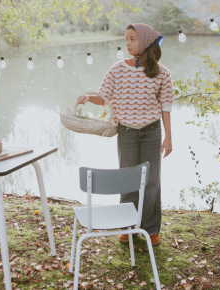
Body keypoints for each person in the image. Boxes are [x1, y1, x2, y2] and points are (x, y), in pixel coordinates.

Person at [77, 23, 174, 246]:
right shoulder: (117, 70)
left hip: (151, 132)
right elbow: (103, 97)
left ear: (146, 42)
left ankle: (150, 229)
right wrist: (87, 97)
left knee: (151, 181)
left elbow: (166, 107)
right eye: (126, 39)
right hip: (127, 132)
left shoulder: (162, 73)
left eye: (132, 39)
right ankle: (128, 227)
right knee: (128, 180)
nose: (127, 43)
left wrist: (168, 137)